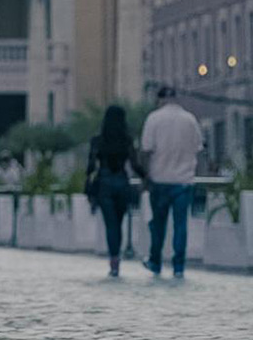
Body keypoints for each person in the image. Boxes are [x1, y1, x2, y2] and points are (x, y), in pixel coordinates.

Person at [139, 87, 203, 278]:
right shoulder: (190, 119)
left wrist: (145, 176)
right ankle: (178, 266)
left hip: (159, 179)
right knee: (180, 225)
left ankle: (155, 261)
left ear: (160, 100)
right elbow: (198, 147)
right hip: (184, 180)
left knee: (158, 224)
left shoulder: (153, 119)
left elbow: (146, 149)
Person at [86, 105, 147, 277]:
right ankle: (117, 257)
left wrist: (90, 183)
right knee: (119, 223)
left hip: (104, 183)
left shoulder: (98, 141)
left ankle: (113, 260)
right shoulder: (127, 140)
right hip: (122, 182)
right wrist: (146, 177)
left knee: (110, 224)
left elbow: (90, 166)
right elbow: (134, 164)